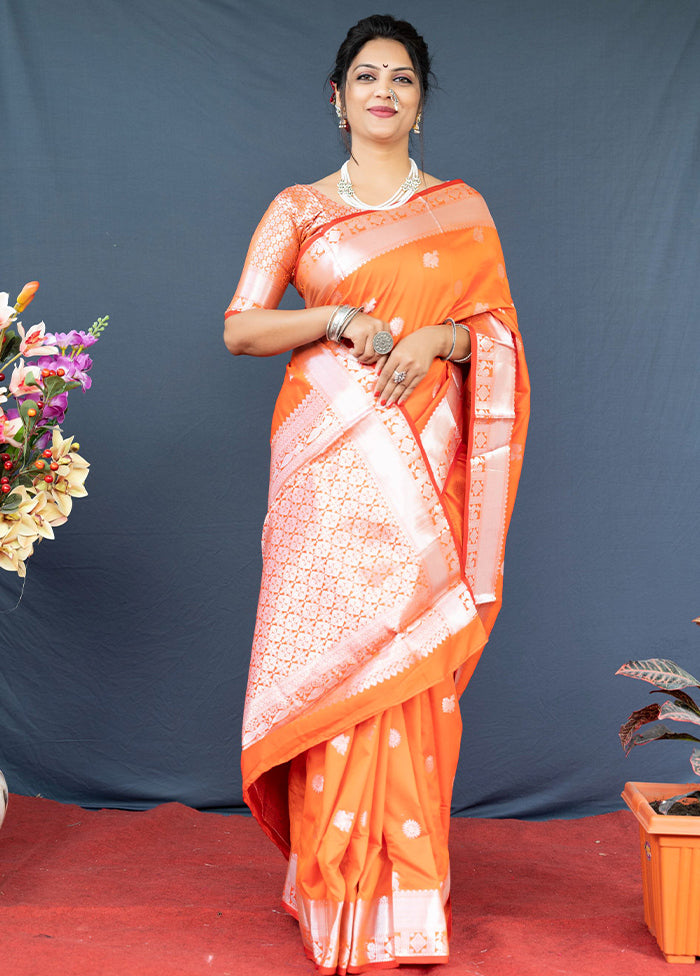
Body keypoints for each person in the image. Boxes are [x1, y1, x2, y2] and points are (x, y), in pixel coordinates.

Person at [224, 14, 529, 974]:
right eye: (366, 76)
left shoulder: (463, 209)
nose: (384, 91)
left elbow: (498, 337)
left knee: (407, 675)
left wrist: (438, 341)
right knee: (337, 667)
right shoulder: (299, 209)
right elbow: (241, 329)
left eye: (401, 77)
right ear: (337, 96)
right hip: (327, 467)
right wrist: (341, 317)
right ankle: (332, 897)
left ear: (421, 99)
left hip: (425, 460)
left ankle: (402, 904)